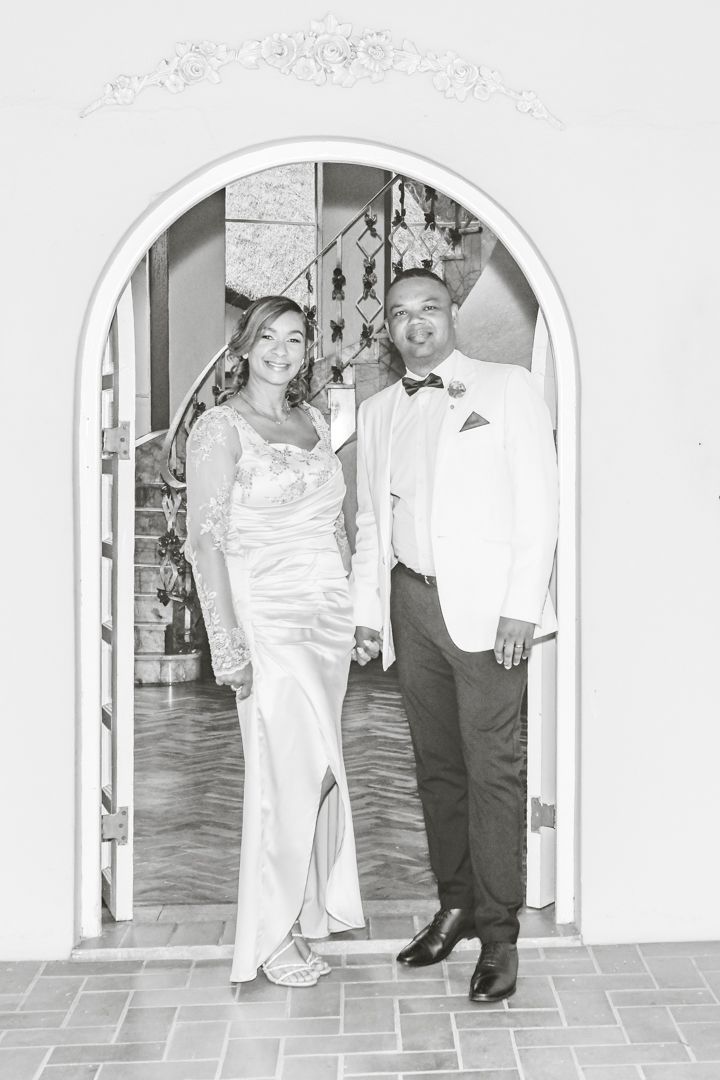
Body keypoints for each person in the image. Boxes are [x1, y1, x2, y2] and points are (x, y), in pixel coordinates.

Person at [350, 268, 558, 1002]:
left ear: (453, 315)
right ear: (388, 328)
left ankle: (499, 936)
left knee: (491, 769)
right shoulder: (377, 410)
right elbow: (372, 520)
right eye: (400, 314)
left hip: (490, 612)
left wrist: (522, 606)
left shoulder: (506, 388)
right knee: (436, 769)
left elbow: (539, 504)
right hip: (411, 603)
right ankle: (456, 906)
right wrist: (367, 611)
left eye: (429, 308)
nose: (416, 324)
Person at [185, 295, 364, 986]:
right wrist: (227, 644)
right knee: (284, 773)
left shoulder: (314, 420)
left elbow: (337, 525)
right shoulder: (218, 428)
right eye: (268, 337)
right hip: (268, 616)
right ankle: (272, 932)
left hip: (327, 616)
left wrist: (357, 607)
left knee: (320, 770)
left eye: (294, 338)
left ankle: (303, 910)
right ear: (243, 347)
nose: (282, 351)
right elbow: (206, 544)